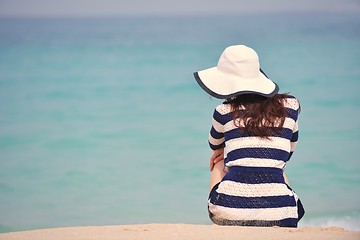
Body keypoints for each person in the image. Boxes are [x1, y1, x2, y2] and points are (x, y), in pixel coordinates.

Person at [193, 45, 305, 227]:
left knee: (219, 160)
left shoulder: (223, 111)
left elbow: (214, 144)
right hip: (282, 211)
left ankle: (224, 216)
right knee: (276, 165)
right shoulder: (290, 107)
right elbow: (289, 150)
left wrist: (225, 151)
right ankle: (274, 207)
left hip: (228, 210)